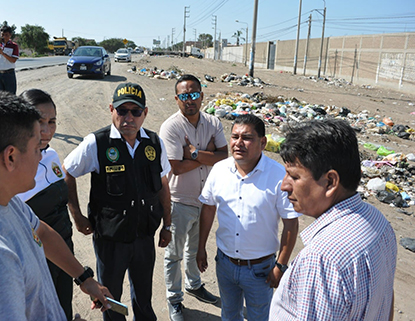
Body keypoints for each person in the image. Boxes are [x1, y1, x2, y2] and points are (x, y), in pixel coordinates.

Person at [0, 91, 112, 320]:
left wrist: (84, 279)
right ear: (10, 157)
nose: (41, 158)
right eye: (35, 149)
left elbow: (41, 231)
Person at [63, 82, 172, 321]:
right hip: (111, 239)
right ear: (112, 109)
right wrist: (78, 216)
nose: (129, 117)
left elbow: (163, 185)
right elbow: (67, 171)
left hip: (144, 235)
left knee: (144, 295)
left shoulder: (154, 143)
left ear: (145, 113)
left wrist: (166, 224)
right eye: (122, 110)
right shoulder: (97, 143)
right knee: (110, 299)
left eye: (135, 111)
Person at [269, 118, 397, 321]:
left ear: (330, 181)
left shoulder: (321, 260)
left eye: (293, 176)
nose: (284, 185)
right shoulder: (378, 222)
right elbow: (387, 301)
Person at [197, 114, 300, 321]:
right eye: (235, 137)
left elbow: (291, 223)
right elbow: (208, 209)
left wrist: (280, 265)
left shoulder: (278, 176)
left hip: (261, 271)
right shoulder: (219, 170)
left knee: (259, 317)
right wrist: (200, 248)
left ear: (262, 142)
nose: (238, 143)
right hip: (225, 264)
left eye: (247, 138)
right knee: (229, 314)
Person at [159, 74, 228, 320]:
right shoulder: (171, 127)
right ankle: (174, 299)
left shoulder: (213, 122)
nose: (190, 100)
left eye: (194, 94)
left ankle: (194, 284)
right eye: (185, 96)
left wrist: (195, 153)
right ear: (177, 99)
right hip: (179, 201)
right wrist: (208, 154)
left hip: (206, 200)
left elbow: (225, 157)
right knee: (174, 254)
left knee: (195, 249)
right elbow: (175, 167)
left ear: (201, 95)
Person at [17, 89, 74, 320]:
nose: (47, 130)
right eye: (39, 122)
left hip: (64, 252)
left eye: (52, 122)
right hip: (37, 262)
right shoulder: (13, 168)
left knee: (64, 309)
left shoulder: (50, 156)